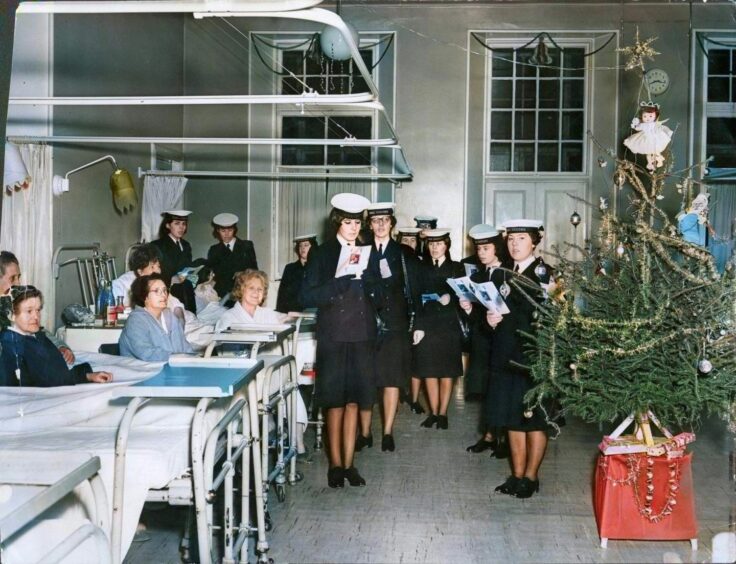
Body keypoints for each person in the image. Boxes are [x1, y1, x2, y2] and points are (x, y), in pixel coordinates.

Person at [300, 193, 380, 488]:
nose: (353, 228)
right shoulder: (322, 253)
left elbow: (377, 296)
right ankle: (334, 466)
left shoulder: (367, 251)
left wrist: (374, 286)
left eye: (357, 223)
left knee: (354, 402)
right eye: (348, 222)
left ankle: (349, 464)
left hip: (361, 336)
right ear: (337, 221)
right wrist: (339, 282)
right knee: (333, 402)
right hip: (334, 336)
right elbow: (307, 295)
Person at [488, 219, 553, 499]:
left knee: (534, 419)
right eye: (511, 239)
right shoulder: (500, 274)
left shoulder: (544, 273)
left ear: (534, 241)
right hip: (505, 354)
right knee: (511, 417)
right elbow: (493, 311)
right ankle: (516, 475)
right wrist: (489, 319)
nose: (515, 244)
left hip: (531, 355)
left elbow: (547, 317)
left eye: (522, 239)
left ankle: (531, 476)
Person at [356, 203, 413, 453]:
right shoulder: (360, 251)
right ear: (370, 224)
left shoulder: (403, 253)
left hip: (395, 325)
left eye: (385, 220)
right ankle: (365, 432)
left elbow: (412, 289)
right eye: (375, 221)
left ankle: (388, 431)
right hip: (367, 323)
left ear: (392, 224)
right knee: (367, 380)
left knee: (391, 380)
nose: (380, 225)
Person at [458, 225, 510, 458]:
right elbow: (477, 318)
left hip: (503, 341)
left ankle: (505, 438)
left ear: (497, 249)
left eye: (486, 248)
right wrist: (467, 308)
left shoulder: (508, 274)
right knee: (488, 390)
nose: (480, 253)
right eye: (478, 248)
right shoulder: (477, 277)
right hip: (483, 342)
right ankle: (489, 435)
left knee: (503, 390)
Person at [0, 285, 112, 386]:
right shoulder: (12, 345)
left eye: (38, 310)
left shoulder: (36, 335)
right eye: (29, 311)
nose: (36, 316)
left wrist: (87, 375)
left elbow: (56, 373)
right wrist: (86, 376)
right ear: (12, 315)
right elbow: (47, 381)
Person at [412, 229, 464, 429]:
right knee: (429, 370)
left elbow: (465, 295)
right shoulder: (421, 268)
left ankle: (443, 413)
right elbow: (416, 299)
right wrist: (418, 326)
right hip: (427, 324)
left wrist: (453, 298)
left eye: (439, 244)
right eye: (431, 244)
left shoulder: (456, 268)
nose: (434, 248)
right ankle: (433, 412)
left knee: (447, 371)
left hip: (448, 325)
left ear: (447, 245)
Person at [0, 250, 75, 362]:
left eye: (18, 277)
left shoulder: (13, 301)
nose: (18, 283)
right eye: (12, 278)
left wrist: (61, 347)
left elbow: (39, 331)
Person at [119, 274, 194, 361]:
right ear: (144, 296)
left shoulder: (170, 316)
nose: (164, 295)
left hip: (171, 368)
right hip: (144, 371)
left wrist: (195, 359)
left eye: (165, 290)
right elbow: (147, 353)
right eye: (157, 291)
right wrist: (179, 358)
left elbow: (185, 347)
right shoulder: (136, 320)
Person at [151, 210, 197, 313]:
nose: (181, 227)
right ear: (167, 225)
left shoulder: (186, 245)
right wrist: (171, 279)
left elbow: (187, 267)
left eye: (184, 224)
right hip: (168, 289)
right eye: (177, 223)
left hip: (186, 288)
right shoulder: (157, 245)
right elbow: (153, 273)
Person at [207, 213, 258, 299]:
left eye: (230, 230)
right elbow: (216, 274)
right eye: (223, 231)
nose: (226, 234)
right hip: (223, 293)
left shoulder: (246, 245)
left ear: (234, 230)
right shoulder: (214, 250)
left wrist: (243, 273)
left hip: (244, 291)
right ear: (218, 231)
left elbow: (255, 269)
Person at [623, 102, 673, 172]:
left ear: (655, 116)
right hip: (646, 140)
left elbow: (659, 128)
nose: (647, 118)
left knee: (656, 150)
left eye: (650, 116)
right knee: (648, 152)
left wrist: (660, 130)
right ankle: (650, 164)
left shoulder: (654, 124)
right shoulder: (643, 125)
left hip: (654, 139)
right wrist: (635, 125)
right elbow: (638, 128)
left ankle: (659, 160)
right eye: (645, 116)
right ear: (642, 117)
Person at [276, 234, 317, 314]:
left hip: (311, 313)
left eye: (306, 245)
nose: (303, 248)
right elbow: (282, 295)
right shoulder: (290, 268)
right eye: (300, 245)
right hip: (291, 312)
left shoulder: (318, 268)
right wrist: (280, 315)